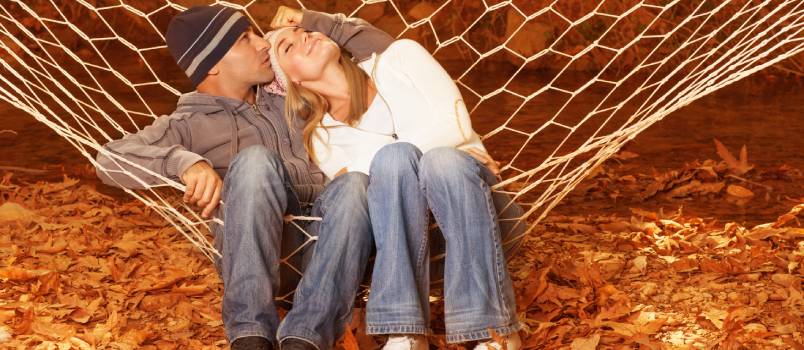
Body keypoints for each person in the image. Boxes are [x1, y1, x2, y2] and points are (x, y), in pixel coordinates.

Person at [94, 5, 394, 350]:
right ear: (213, 65)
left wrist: (313, 23)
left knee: (356, 183)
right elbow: (108, 161)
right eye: (244, 39)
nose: (263, 44)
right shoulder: (188, 124)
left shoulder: (289, 91)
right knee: (254, 162)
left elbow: (387, 52)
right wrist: (184, 163)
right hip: (260, 255)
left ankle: (305, 339)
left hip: (336, 247)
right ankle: (250, 336)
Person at [268, 20, 525, 350]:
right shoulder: (321, 138)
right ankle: (406, 332)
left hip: (482, 217)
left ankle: (494, 331)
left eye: (306, 32)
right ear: (292, 80)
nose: (306, 38)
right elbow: (374, 190)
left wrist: (419, 158)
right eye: (288, 47)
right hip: (422, 248)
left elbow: (454, 125)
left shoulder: (400, 57)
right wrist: (422, 152)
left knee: (440, 162)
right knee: (397, 159)